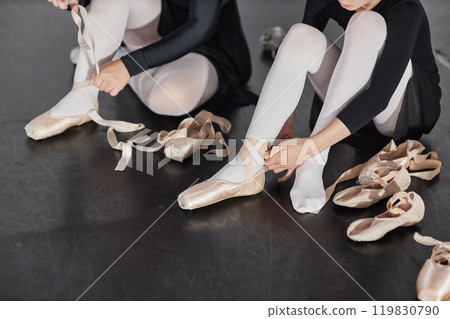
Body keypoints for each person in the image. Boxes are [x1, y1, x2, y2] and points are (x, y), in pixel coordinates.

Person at [178, 0, 442, 212]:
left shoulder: (407, 8)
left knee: (367, 22)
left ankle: (314, 161)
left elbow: (379, 96)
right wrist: (286, 123)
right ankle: (248, 165)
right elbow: (298, 59)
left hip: (402, 111)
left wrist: (309, 147)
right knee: (301, 34)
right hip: (350, 103)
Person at [25, 0, 255, 140]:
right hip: (152, 33)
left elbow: (200, 28)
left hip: (209, 52)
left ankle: (116, 56)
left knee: (169, 99)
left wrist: (128, 66)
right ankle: (82, 96)